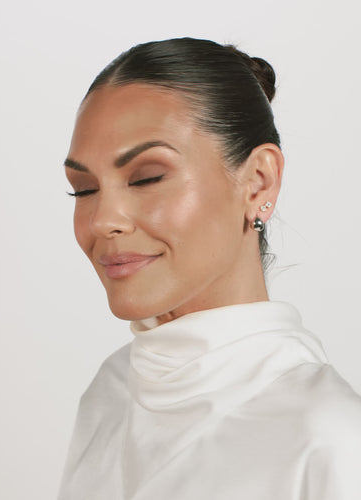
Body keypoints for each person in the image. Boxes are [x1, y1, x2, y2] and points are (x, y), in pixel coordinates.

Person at [58, 37, 361, 500]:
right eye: (84, 189)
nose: (102, 220)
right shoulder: (111, 392)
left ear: (258, 182)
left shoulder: (330, 440)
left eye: (147, 177)